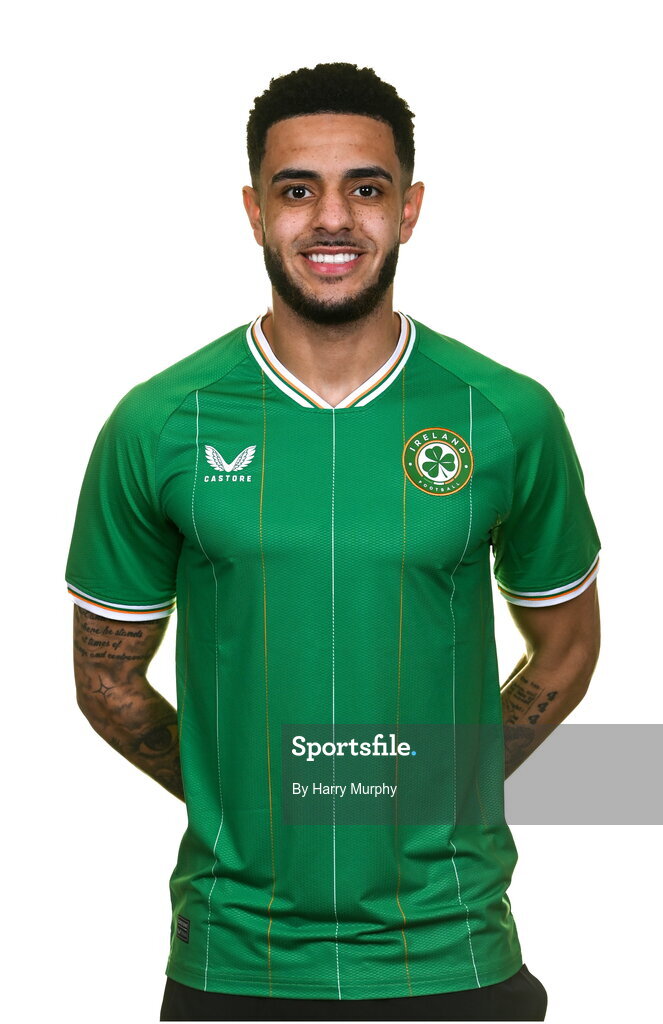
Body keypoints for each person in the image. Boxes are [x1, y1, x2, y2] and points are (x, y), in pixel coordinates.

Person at [66, 62, 600, 1022]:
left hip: (454, 950)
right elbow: (106, 680)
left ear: (409, 209)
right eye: (295, 191)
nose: (331, 220)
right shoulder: (160, 423)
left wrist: (438, 783)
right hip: (237, 956)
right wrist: (246, 796)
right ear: (252, 211)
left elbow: (565, 646)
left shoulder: (505, 415)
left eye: (365, 188)